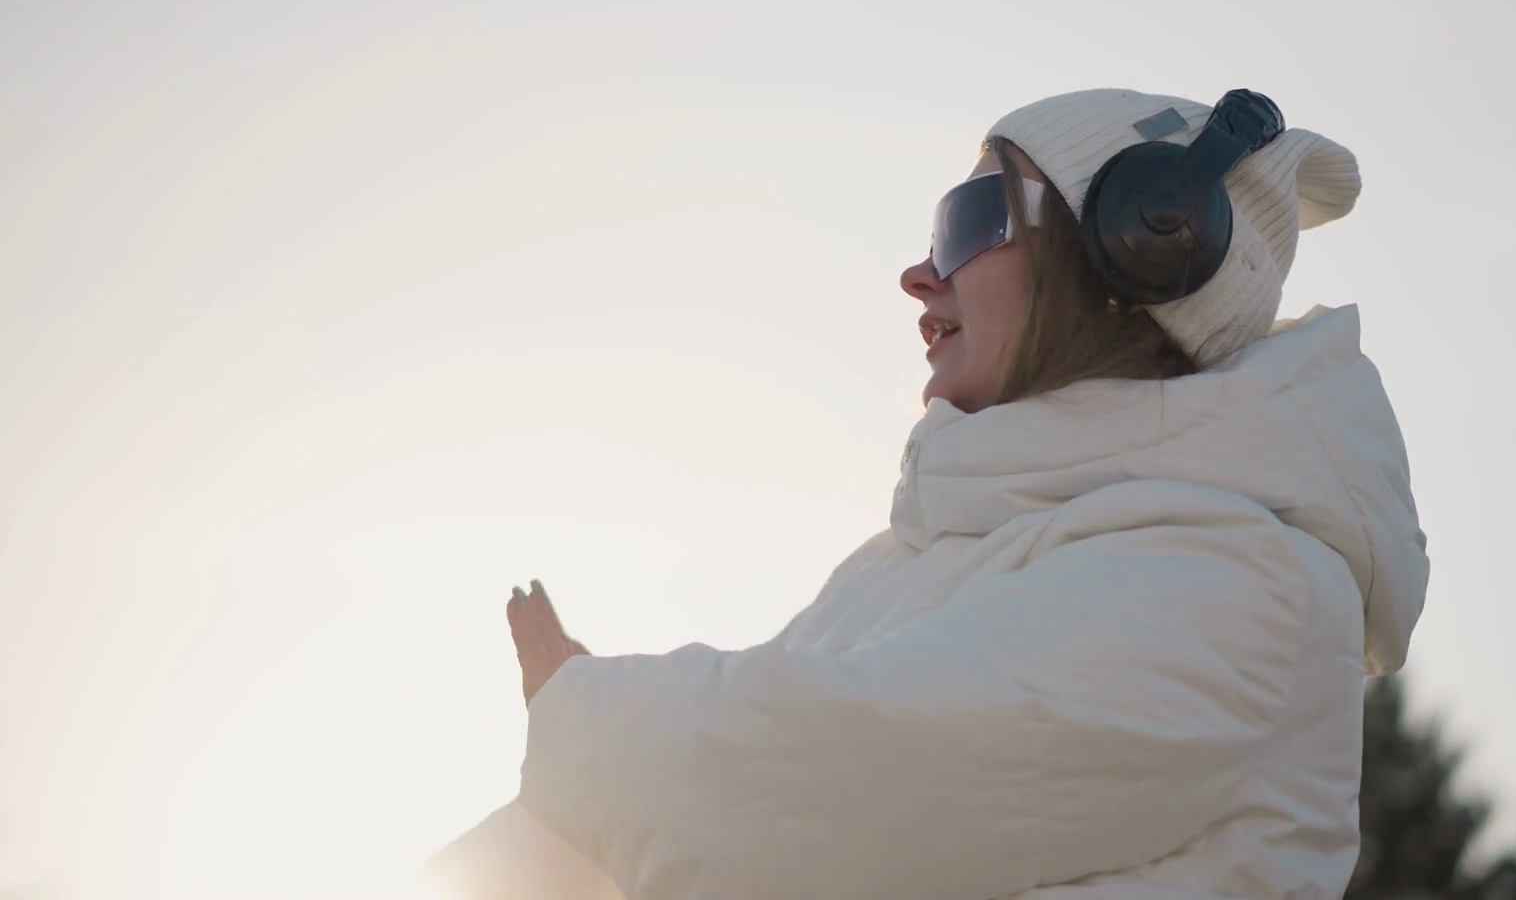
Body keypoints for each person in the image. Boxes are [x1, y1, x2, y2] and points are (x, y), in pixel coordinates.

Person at [425, 87, 1430, 900]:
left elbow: (834, 786)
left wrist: (586, 723)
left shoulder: (1247, 582)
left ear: (1139, 243)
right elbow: (637, 842)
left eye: (969, 221)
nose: (918, 273)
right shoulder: (911, 563)